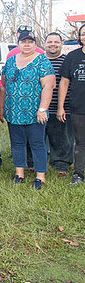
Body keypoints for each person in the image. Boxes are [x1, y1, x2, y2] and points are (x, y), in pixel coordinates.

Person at [0, 29, 55, 189]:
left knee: (37, 144)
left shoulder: (42, 61)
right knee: (17, 143)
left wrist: (42, 109)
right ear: (18, 44)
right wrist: (1, 107)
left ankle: (40, 176)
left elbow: (48, 86)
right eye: (23, 41)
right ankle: (19, 174)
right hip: (13, 112)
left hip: (35, 112)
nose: (27, 44)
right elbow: (3, 86)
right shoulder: (11, 61)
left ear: (35, 44)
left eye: (30, 42)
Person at [58, 23, 85, 186]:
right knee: (80, 142)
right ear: (80, 37)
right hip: (78, 107)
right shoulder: (72, 56)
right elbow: (64, 82)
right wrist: (60, 106)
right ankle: (79, 173)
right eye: (83, 34)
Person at [44, 32, 74, 176]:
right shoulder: (39, 60)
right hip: (41, 108)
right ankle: (34, 163)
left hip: (62, 106)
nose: (53, 45)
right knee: (38, 139)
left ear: (62, 44)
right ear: (45, 44)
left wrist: (62, 107)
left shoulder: (68, 60)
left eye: (56, 42)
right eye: (50, 42)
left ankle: (61, 165)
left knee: (62, 138)